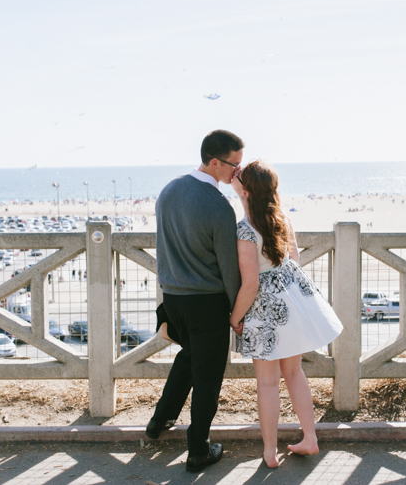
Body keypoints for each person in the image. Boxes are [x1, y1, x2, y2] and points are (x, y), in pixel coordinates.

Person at [229, 160, 343, 469]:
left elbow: (250, 284)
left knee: (267, 382)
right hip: (291, 307)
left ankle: (269, 452)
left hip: (264, 311)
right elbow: (293, 263)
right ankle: (310, 438)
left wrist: (235, 318)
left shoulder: (244, 229)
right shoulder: (282, 219)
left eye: (240, 180)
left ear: (247, 190)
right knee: (294, 373)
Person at [145, 130, 243, 473]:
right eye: (234, 165)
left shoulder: (169, 191)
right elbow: (229, 269)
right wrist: (236, 311)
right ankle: (198, 449)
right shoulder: (218, 206)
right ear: (215, 162)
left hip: (173, 298)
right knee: (207, 377)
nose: (237, 172)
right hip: (207, 303)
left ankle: (159, 423)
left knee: (189, 359)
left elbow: (163, 247)